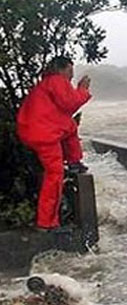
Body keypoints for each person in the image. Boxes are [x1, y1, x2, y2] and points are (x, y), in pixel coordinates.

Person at [16, 56, 92, 230]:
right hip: (44, 135)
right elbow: (70, 103)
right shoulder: (57, 81)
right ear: (63, 69)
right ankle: (47, 222)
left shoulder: (45, 84)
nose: (72, 76)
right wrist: (83, 89)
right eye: (71, 71)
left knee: (71, 126)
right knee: (54, 175)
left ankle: (74, 162)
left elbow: (62, 110)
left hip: (32, 130)